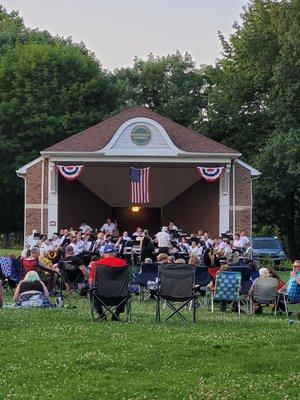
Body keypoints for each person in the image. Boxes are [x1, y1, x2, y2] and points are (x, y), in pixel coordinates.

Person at [89, 244, 127, 321]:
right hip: (120, 297)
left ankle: (101, 314)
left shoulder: (97, 264)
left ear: (103, 254)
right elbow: (128, 281)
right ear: (115, 253)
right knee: (126, 290)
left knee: (91, 291)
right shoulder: (123, 263)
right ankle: (116, 314)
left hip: (101, 296)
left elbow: (91, 281)